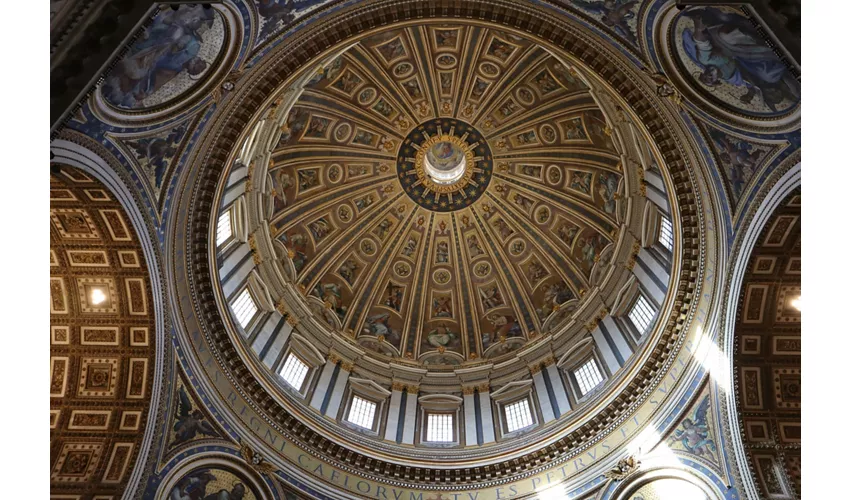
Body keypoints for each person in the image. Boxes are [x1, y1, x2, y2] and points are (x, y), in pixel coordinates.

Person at [681, 7, 799, 111]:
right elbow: (748, 83)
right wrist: (750, 94)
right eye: (710, 80)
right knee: (768, 75)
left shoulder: (706, 60)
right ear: (717, 80)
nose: (709, 76)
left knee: (727, 36)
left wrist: (698, 27)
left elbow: (701, 42)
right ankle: (786, 56)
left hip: (725, 44)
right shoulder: (729, 78)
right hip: (746, 61)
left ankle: (766, 28)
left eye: (705, 77)